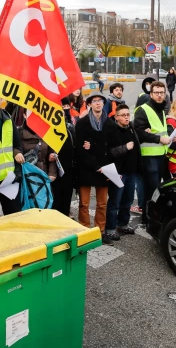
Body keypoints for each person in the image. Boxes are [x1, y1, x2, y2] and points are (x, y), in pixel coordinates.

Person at [134, 81, 173, 223]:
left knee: (158, 187)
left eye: (162, 93)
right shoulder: (143, 109)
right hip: (149, 155)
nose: (159, 95)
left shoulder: (161, 109)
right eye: (156, 92)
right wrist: (158, 139)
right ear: (151, 94)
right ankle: (148, 217)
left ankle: (152, 214)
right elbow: (138, 132)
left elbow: (161, 129)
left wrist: (166, 135)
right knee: (151, 189)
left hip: (161, 154)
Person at [75, 92, 111, 240]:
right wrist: (95, 160)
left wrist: (94, 146)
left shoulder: (109, 123)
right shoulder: (82, 123)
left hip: (104, 168)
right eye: (94, 101)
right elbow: (79, 148)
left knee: (102, 204)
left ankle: (100, 230)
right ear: (89, 104)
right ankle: (84, 231)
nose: (98, 103)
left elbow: (111, 146)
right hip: (86, 167)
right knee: (84, 203)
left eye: (100, 100)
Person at [104, 104, 141, 243]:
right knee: (115, 202)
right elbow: (110, 152)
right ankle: (110, 228)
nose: (126, 117)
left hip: (131, 172)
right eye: (123, 115)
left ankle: (123, 224)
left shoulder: (131, 127)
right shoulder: (112, 131)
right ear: (116, 117)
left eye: (128, 114)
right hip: (118, 173)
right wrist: (125, 147)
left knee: (128, 200)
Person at [19, 115, 58, 180]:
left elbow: (52, 154)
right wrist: (17, 153)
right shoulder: (19, 132)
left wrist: (52, 173)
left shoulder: (47, 131)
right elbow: (15, 148)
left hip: (43, 174)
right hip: (26, 174)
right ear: (24, 115)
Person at [52, 114, 76, 217]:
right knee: (55, 203)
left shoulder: (69, 130)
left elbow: (74, 150)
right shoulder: (49, 131)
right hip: (53, 173)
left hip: (68, 172)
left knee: (66, 201)